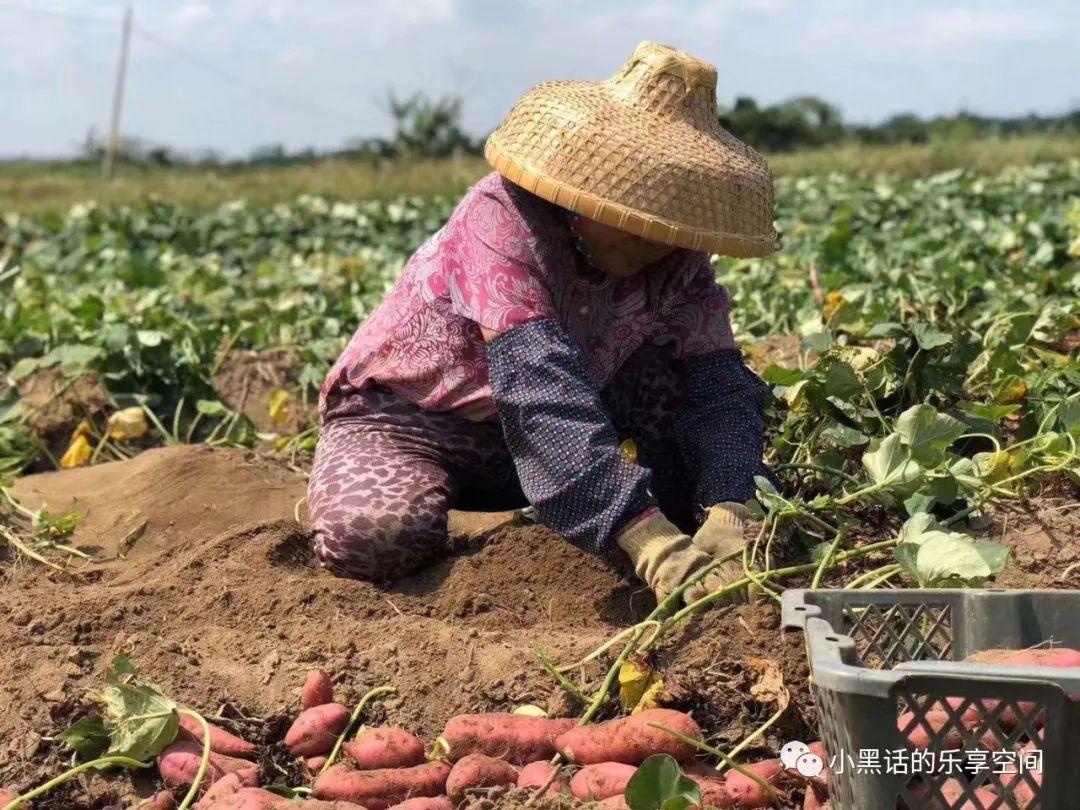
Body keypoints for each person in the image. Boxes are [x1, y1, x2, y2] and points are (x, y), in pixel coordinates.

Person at [308, 41, 775, 604]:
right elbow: (536, 387)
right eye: (634, 217)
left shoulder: (677, 257)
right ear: (589, 194)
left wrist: (730, 505)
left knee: (681, 383)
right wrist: (648, 540)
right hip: (414, 421)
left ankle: (650, 509)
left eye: (666, 225)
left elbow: (716, 386)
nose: (653, 241)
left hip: (556, 437)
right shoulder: (501, 216)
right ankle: (608, 514)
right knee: (375, 537)